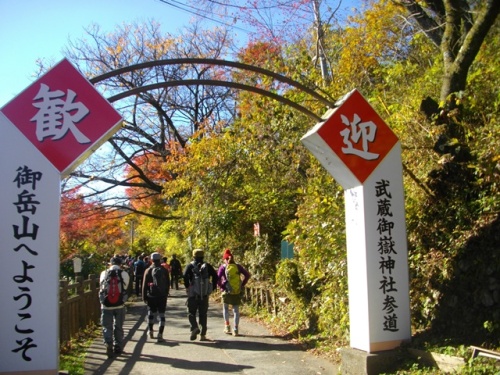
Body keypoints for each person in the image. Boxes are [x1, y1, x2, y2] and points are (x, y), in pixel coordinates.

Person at [183, 248, 217, 341]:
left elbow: (185, 276)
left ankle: (194, 327)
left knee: (191, 313)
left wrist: (187, 287)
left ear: (193, 256)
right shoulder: (208, 266)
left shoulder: (190, 266)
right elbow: (215, 276)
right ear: (203, 256)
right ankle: (203, 335)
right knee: (203, 314)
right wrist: (211, 287)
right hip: (204, 295)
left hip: (193, 294)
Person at [99, 256, 130, 358]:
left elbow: (101, 288)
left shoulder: (104, 273)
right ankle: (118, 346)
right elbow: (125, 288)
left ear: (110, 263)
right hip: (120, 304)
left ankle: (108, 343)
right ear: (121, 263)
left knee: (107, 326)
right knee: (118, 326)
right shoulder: (124, 274)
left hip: (106, 305)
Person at [217, 249, 251, 336]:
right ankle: (235, 329)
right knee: (236, 310)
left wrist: (222, 286)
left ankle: (227, 326)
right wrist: (242, 285)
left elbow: (217, 279)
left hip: (226, 291)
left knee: (225, 309)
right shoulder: (238, 266)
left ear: (225, 259)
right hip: (236, 291)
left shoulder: (223, 267)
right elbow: (247, 275)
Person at [142, 252, 170, 342]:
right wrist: (166, 293)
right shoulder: (164, 270)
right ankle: (160, 334)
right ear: (160, 259)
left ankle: (150, 331)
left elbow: (144, 285)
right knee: (161, 314)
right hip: (162, 296)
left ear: (151, 260)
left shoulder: (148, 270)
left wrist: (144, 297)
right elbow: (168, 283)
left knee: (151, 313)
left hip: (151, 295)